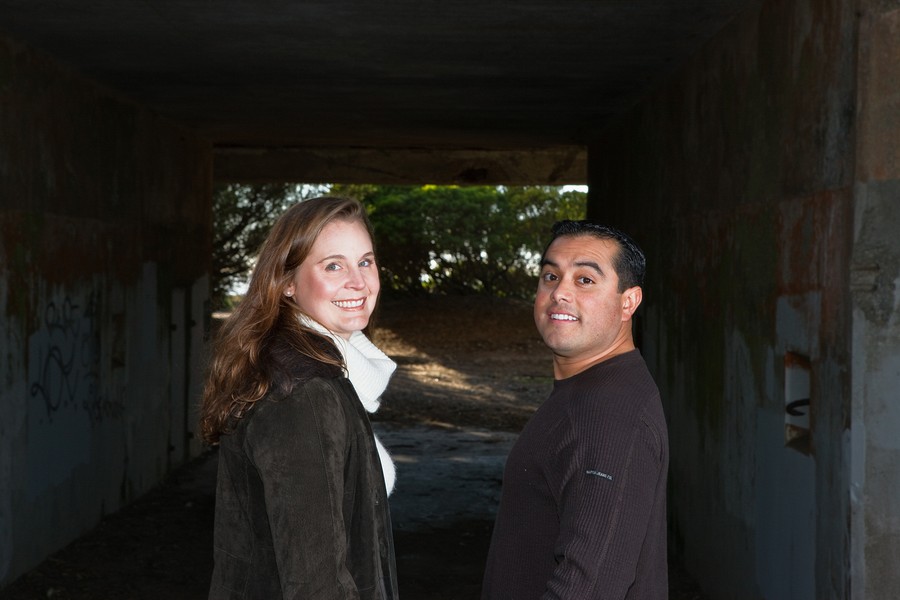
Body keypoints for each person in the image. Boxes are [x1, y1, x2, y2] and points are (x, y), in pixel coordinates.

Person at [199, 196, 399, 600]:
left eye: (365, 262)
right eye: (333, 266)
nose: (359, 282)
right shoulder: (302, 394)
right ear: (287, 282)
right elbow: (316, 584)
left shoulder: (321, 373)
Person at [481, 220, 669, 600]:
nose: (560, 293)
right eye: (551, 276)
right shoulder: (589, 390)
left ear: (628, 302)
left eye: (585, 280)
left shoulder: (609, 416)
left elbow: (589, 586)